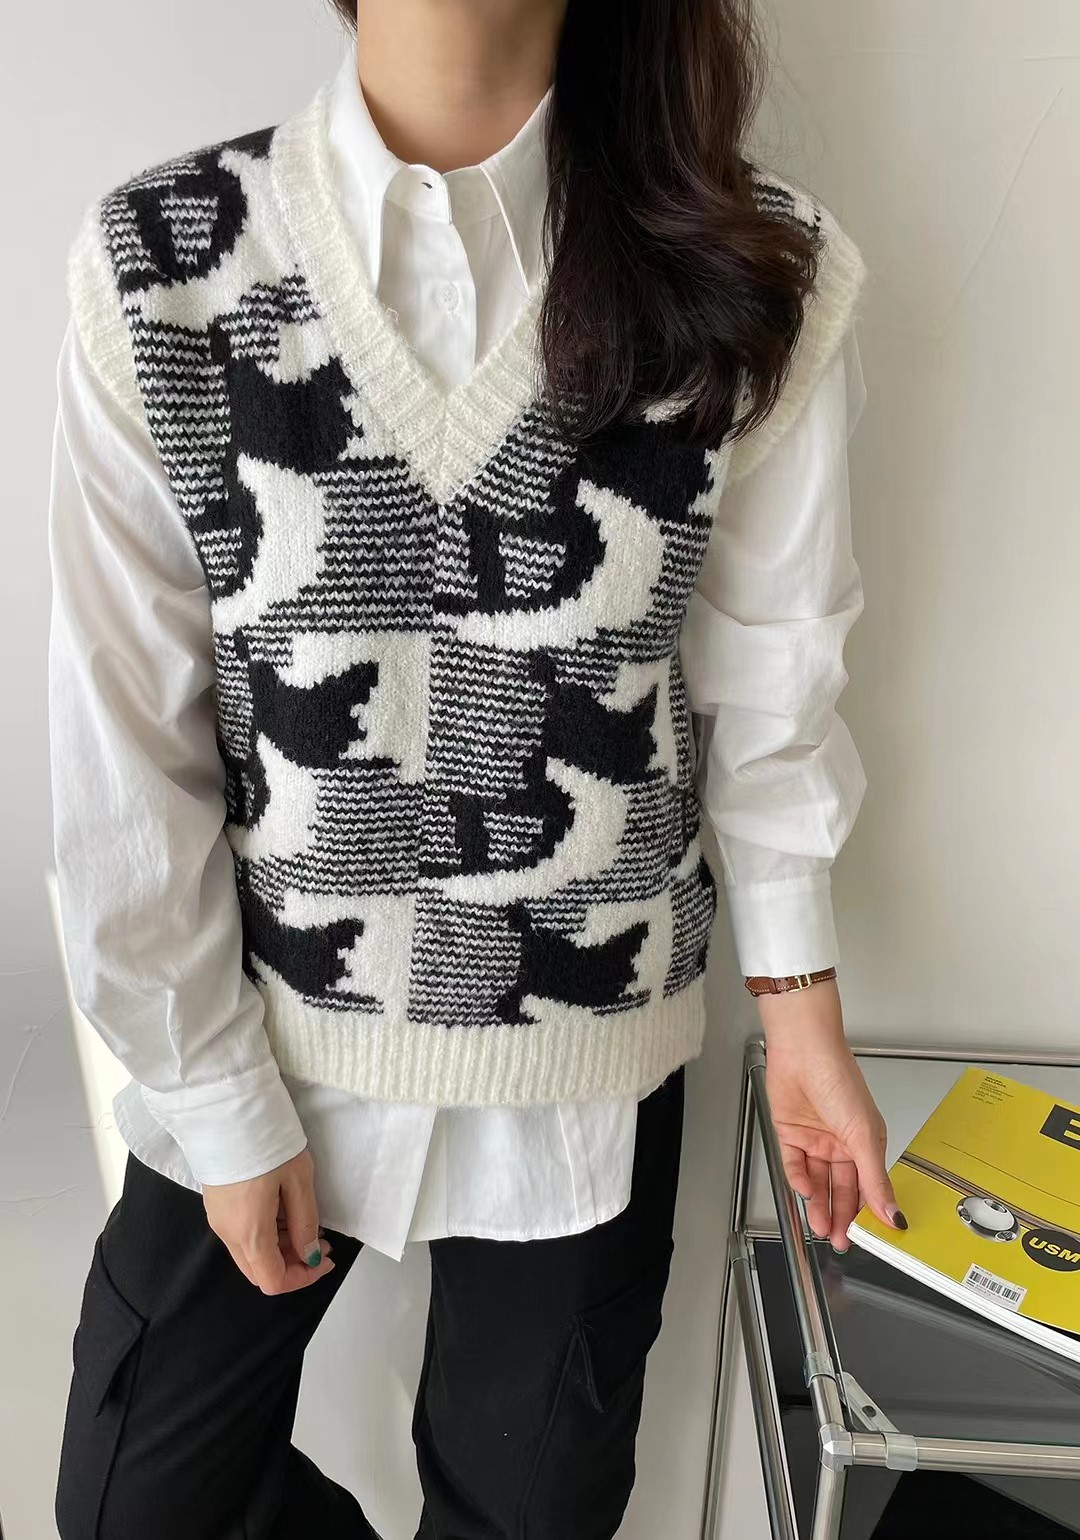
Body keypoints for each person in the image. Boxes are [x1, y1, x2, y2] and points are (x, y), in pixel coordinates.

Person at [47, 1, 905, 1535]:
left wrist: (803, 1017)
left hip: (587, 1052)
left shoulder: (748, 271)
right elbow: (125, 755)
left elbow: (768, 692)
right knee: (135, 1509)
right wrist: (220, 1104)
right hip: (262, 1035)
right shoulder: (170, 265)